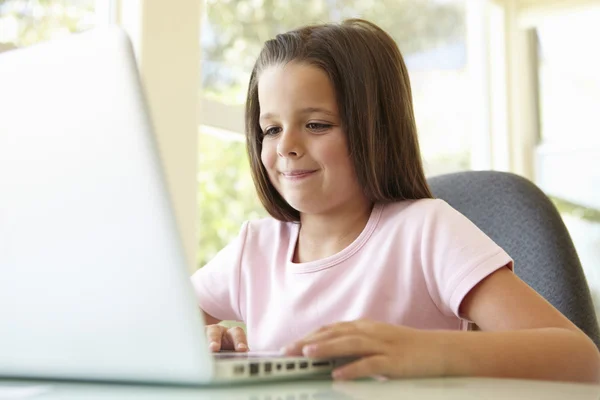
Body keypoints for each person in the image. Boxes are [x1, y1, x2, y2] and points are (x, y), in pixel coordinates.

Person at [191, 19, 600, 383]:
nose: (287, 147)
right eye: (271, 129)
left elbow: (582, 360)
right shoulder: (255, 248)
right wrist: (199, 339)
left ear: (376, 131)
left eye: (316, 125)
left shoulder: (425, 230)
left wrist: (424, 351)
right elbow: (152, 325)